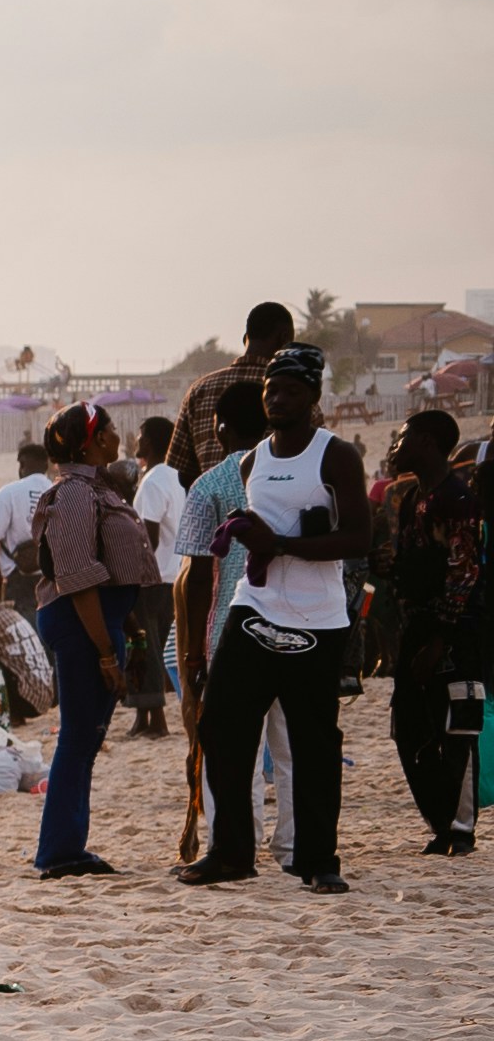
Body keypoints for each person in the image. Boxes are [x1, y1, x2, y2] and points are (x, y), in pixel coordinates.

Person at [179, 351, 362, 894]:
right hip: (254, 607)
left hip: (317, 617)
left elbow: (358, 538)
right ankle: (231, 852)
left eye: (288, 391)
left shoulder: (336, 457)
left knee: (312, 741)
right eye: (270, 391)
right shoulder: (249, 462)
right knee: (221, 728)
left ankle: (318, 860)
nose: (276, 399)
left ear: (312, 398)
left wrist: (279, 543)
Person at [26, 413, 155, 877]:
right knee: (78, 739)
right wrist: (106, 652)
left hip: (101, 621)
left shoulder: (96, 488)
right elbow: (78, 578)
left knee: (86, 739)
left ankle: (67, 847)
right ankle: (60, 852)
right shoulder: (76, 493)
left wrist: (132, 632)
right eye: (112, 429)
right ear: (95, 440)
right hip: (83, 621)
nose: (120, 435)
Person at [375, 409, 484, 854]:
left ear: (426, 442)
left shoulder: (456, 499)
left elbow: (464, 572)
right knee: (411, 726)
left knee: (457, 727)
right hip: (420, 627)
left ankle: (459, 829)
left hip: (456, 630)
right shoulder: (412, 498)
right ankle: (441, 822)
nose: (395, 445)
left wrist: (439, 638)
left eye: (403, 437)